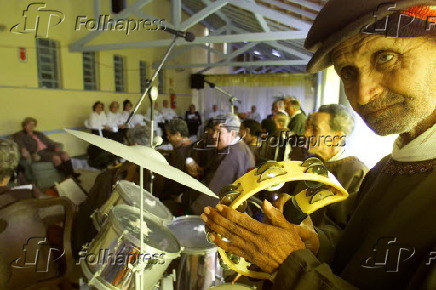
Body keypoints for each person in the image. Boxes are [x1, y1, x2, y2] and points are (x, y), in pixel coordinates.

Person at [202, 2, 436, 289]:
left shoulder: (358, 168)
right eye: (348, 72)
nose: (362, 95)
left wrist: (289, 263)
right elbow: (355, 246)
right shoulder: (387, 169)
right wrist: (313, 244)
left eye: (385, 57)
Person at [304, 104, 368, 227]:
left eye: (314, 129)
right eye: (307, 127)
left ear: (337, 137)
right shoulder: (309, 163)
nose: (306, 134)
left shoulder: (357, 173)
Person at [186, 114, 255, 214]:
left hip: (227, 211)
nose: (214, 135)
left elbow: (213, 194)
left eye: (219, 132)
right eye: (214, 131)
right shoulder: (238, 147)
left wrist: (192, 211)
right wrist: (200, 171)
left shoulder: (231, 156)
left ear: (231, 133)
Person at [0, 139, 43, 208]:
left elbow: (19, 177)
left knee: (33, 189)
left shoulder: (14, 168)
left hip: (10, 192)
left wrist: (30, 187)